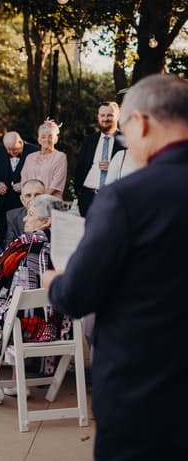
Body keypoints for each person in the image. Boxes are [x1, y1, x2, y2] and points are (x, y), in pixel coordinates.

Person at [44, 74, 188, 460]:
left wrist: (56, 281)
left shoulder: (127, 197)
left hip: (145, 390)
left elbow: (77, 295)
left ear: (140, 123)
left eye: (125, 132)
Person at [0, 195, 71, 405]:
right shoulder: (68, 244)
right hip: (59, 328)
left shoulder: (28, 241)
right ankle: (15, 383)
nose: (24, 220)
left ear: (46, 221)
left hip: (31, 329)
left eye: (31, 214)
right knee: (13, 311)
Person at [73, 102, 126, 216]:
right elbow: (80, 169)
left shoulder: (126, 141)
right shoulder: (89, 140)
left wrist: (113, 166)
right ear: (98, 117)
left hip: (113, 197)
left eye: (110, 115)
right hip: (88, 198)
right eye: (102, 115)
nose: (105, 119)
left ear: (118, 116)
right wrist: (80, 194)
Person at [0, 131, 38, 246]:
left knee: (24, 240)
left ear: (20, 142)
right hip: (3, 204)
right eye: (8, 150)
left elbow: (39, 177)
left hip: (24, 206)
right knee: (3, 239)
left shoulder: (34, 152)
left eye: (14, 149)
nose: (10, 152)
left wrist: (24, 184)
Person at [20, 119, 67, 198]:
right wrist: (29, 198)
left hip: (50, 202)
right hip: (30, 202)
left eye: (50, 136)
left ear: (56, 140)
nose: (46, 140)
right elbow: (24, 180)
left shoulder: (60, 157)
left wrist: (40, 199)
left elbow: (56, 183)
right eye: (43, 137)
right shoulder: (30, 157)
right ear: (39, 140)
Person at [2, 178, 46, 248]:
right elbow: (9, 246)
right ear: (22, 199)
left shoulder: (55, 217)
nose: (33, 199)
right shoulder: (13, 216)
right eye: (28, 195)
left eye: (37, 195)